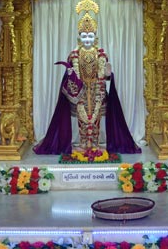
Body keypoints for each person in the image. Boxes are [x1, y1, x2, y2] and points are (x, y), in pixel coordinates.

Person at [34, 8, 139, 155]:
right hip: (80, 91)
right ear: (79, 38)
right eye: (84, 36)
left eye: (90, 36)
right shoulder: (74, 55)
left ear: (95, 37)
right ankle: (84, 143)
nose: (87, 39)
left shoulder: (101, 55)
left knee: (95, 118)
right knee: (83, 119)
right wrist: (70, 76)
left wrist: (108, 75)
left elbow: (103, 75)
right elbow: (71, 76)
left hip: (97, 90)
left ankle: (95, 144)